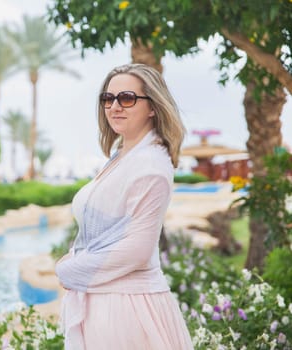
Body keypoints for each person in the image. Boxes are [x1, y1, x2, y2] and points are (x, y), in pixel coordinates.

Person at [55, 63, 193, 350]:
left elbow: (137, 250)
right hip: (107, 305)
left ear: (152, 106)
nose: (115, 106)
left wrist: (71, 270)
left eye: (127, 98)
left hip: (126, 312)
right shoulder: (124, 156)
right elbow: (102, 234)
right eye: (108, 98)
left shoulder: (150, 165)